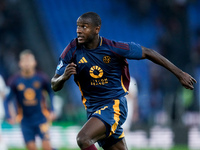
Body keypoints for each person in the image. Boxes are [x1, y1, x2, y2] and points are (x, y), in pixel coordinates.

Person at [51, 12, 197, 150]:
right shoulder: (72, 49)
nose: (79, 30)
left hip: (113, 106)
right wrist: (63, 77)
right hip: (93, 110)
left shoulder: (113, 48)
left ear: (97, 29)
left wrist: (180, 74)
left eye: (84, 27)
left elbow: (148, 52)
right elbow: (54, 84)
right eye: (78, 26)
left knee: (83, 138)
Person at [4, 50, 56, 150]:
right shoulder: (15, 80)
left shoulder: (42, 78)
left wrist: (52, 110)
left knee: (47, 147)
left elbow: (50, 93)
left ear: (34, 63)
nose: (27, 63)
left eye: (29, 61)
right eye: (24, 61)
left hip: (41, 119)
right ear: (20, 63)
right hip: (25, 122)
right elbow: (7, 99)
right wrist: (8, 115)